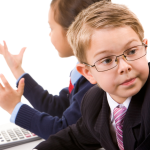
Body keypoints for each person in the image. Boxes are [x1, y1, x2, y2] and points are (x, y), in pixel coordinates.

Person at [33, 1, 150, 150]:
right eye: (107, 60)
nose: (125, 67)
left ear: (144, 46)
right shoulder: (93, 101)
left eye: (132, 51)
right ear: (88, 73)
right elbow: (74, 137)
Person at [0, 0, 110, 140]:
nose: (49, 35)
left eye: (51, 28)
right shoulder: (84, 73)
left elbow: (64, 131)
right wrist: (16, 69)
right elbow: (57, 108)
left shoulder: (94, 82)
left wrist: (14, 107)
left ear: (72, 31)